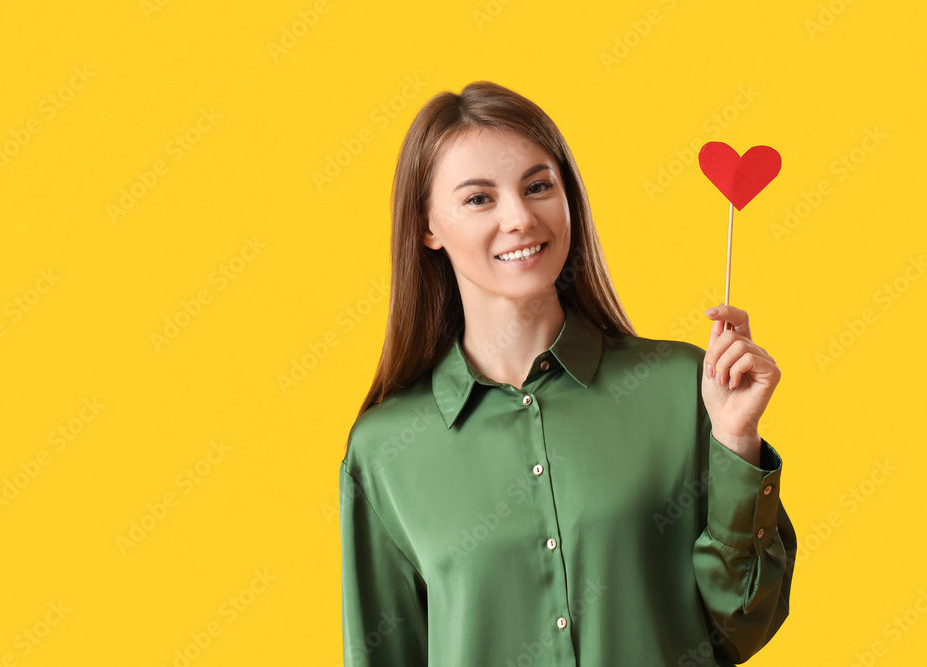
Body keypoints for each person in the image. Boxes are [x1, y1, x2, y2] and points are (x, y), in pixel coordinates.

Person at [338, 80, 796, 666]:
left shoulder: (685, 389)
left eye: (538, 187)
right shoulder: (383, 451)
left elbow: (742, 627)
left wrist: (735, 441)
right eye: (479, 198)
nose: (520, 218)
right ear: (428, 226)